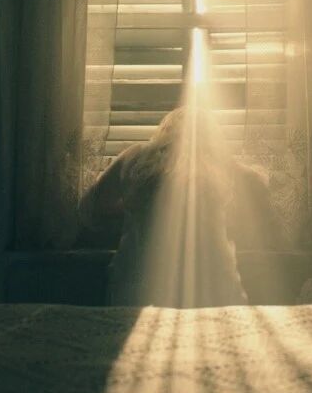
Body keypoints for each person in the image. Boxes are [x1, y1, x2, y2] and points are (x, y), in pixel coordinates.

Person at [79, 107, 275, 307]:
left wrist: (137, 207)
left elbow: (91, 209)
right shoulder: (222, 165)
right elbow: (258, 189)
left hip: (137, 288)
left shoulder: (135, 158)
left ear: (164, 131)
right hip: (211, 290)